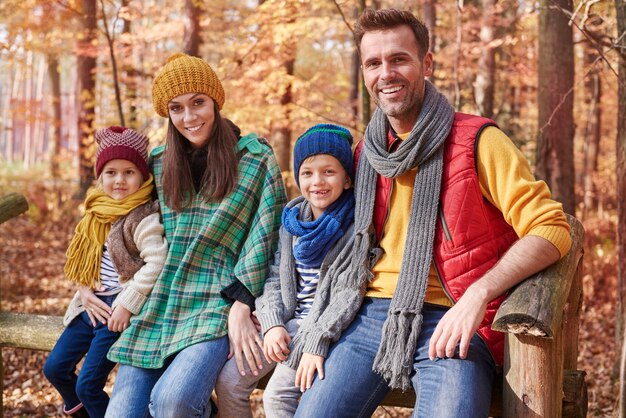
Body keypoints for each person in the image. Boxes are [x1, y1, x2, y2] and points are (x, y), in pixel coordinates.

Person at [294, 8, 573, 418]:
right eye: (373, 63)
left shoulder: (478, 141)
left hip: (455, 315)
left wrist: (478, 295)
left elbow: (551, 228)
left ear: (426, 63)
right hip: (367, 313)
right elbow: (331, 236)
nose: (385, 73)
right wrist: (311, 329)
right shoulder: (366, 154)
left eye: (399, 59)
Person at [104, 53, 286, 418]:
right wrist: (85, 285)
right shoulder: (156, 164)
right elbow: (115, 221)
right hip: (157, 305)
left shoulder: (254, 158)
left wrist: (242, 300)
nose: (189, 117)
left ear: (215, 101)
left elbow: (269, 236)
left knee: (174, 403)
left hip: (213, 306)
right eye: (177, 108)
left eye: (198, 103)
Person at [215, 124, 362, 418]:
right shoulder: (291, 222)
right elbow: (273, 277)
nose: (317, 181)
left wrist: (305, 337)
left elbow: (349, 294)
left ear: (347, 179)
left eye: (328, 172)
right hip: (285, 324)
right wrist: (271, 325)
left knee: (278, 397)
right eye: (307, 173)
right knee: (229, 382)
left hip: (325, 329)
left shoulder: (355, 228)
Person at [43, 126, 168, 418]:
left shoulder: (144, 217)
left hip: (117, 311)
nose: (119, 180)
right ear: (100, 176)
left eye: (128, 172)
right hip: (89, 304)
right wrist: (83, 290)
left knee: (88, 386)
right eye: (111, 172)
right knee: (55, 368)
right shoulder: (95, 213)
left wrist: (127, 303)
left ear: (142, 176)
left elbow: (157, 261)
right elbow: (83, 262)